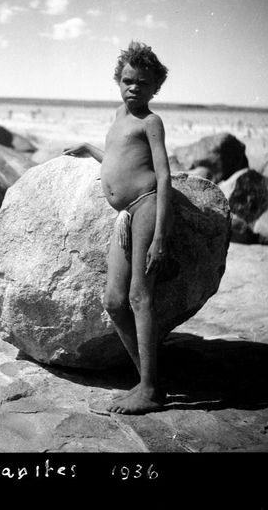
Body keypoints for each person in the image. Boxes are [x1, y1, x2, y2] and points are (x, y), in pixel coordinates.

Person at [63, 41, 173, 414]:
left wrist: (160, 236)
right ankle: (147, 381)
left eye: (142, 84)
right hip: (124, 215)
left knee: (140, 297)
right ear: (118, 80)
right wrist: (89, 149)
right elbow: (117, 158)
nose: (133, 89)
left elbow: (163, 175)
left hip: (145, 208)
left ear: (155, 87)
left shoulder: (151, 122)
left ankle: (151, 390)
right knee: (113, 301)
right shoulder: (118, 116)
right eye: (127, 81)